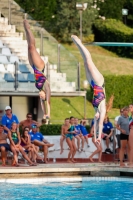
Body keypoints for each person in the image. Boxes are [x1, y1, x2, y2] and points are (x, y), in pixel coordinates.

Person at [71, 35, 106, 144]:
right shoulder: (103, 109)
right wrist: (99, 136)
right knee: (90, 63)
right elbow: (100, 124)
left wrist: (95, 138)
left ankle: (78, 45)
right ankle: (79, 43)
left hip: (92, 84)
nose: (96, 117)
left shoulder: (96, 110)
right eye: (97, 117)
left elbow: (95, 123)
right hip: (99, 83)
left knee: (85, 63)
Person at [23, 19, 51, 119]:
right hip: (40, 67)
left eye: (41, 97)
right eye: (42, 96)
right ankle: (28, 28)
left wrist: (44, 114)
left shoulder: (39, 89)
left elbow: (42, 104)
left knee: (29, 47)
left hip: (34, 68)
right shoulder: (46, 86)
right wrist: (48, 114)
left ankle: (26, 31)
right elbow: (47, 103)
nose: (41, 96)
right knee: (32, 47)